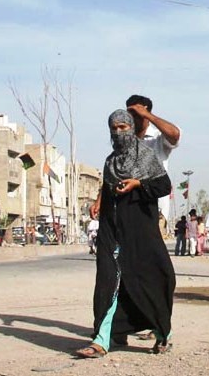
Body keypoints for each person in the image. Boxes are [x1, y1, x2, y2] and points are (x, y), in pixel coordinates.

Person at [76, 109, 176, 358]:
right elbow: (107, 188)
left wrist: (138, 184)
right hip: (113, 231)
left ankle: (163, 335)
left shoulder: (146, 156)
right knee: (108, 280)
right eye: (114, 128)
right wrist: (101, 202)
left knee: (152, 280)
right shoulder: (111, 161)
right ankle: (101, 339)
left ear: (131, 128)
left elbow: (164, 186)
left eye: (123, 127)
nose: (119, 132)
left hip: (142, 231)